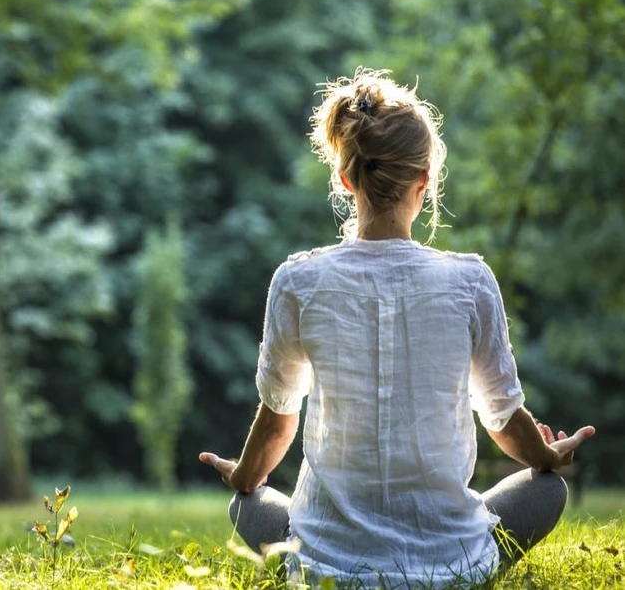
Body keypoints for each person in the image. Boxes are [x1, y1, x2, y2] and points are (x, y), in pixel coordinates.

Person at [198, 68, 596, 588]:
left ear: (345, 179)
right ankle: (457, 568)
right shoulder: (470, 281)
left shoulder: (298, 280)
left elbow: (278, 422)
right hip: (452, 564)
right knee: (548, 490)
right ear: (424, 180)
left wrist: (244, 477)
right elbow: (503, 419)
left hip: (326, 568)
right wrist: (547, 455)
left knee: (245, 504)